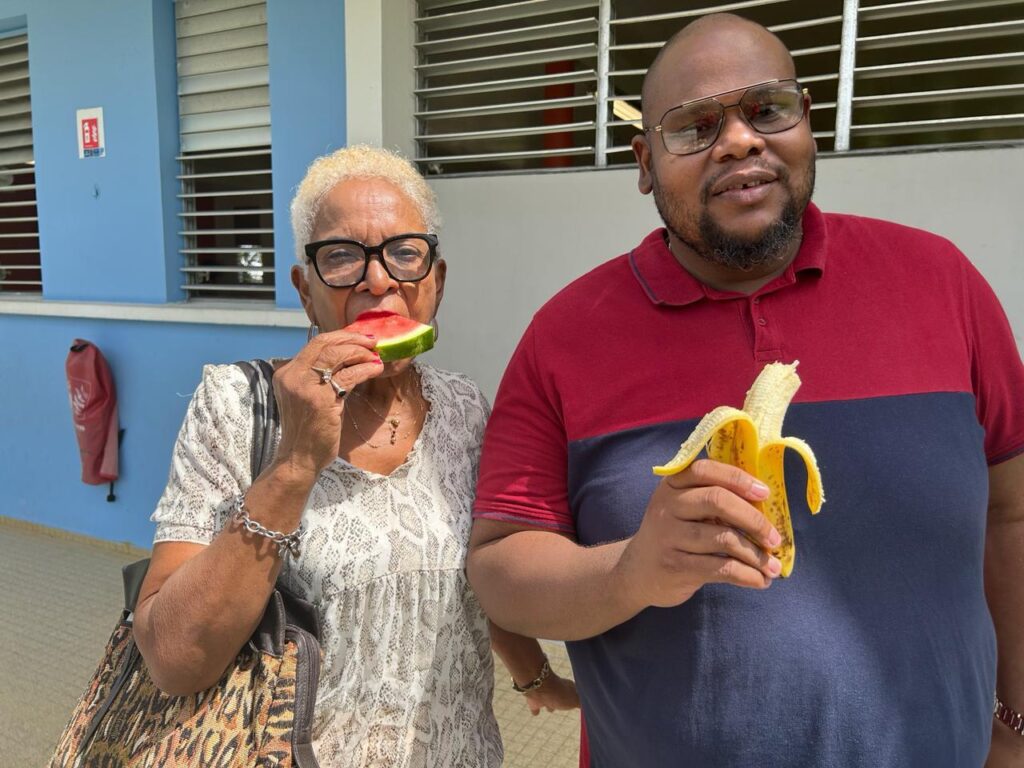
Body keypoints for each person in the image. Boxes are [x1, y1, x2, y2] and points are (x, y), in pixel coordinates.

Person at [467, 13, 1024, 768]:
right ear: (644, 162)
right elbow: (500, 571)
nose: (738, 140)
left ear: (807, 123)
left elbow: (1012, 513)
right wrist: (630, 572)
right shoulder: (564, 336)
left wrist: (1015, 722)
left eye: (767, 109)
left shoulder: (942, 284)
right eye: (694, 127)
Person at [134, 145, 577, 768]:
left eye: (405, 253)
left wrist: (537, 679)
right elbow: (173, 659)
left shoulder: (467, 409)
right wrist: (293, 465)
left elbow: (477, 582)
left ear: (436, 281)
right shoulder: (234, 406)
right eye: (341, 256)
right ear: (305, 290)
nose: (378, 279)